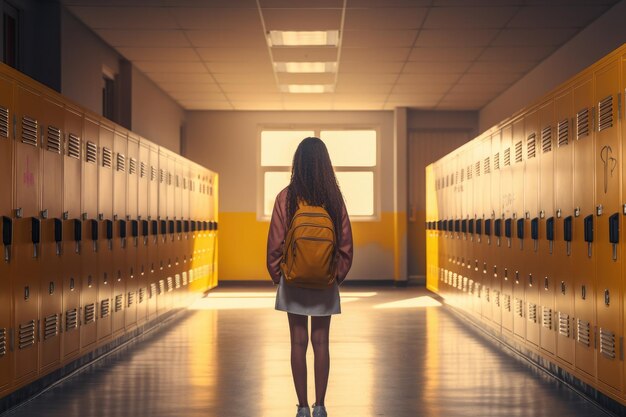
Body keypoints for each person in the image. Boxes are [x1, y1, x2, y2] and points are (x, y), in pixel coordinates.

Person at [266, 137, 353, 417]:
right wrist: (334, 276)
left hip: (292, 281)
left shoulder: (287, 197)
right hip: (325, 280)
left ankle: (302, 406)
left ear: (297, 163)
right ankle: (321, 406)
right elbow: (346, 244)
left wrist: (280, 276)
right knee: (321, 341)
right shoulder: (333, 198)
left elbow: (275, 243)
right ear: (325, 164)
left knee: (297, 341)